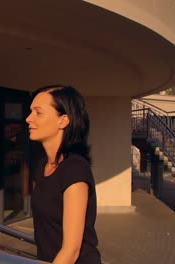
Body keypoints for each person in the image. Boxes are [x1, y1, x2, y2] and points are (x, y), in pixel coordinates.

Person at [26, 85, 101, 264]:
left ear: (63, 120)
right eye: (30, 112)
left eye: (38, 112)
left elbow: (71, 250)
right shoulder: (42, 166)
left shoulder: (74, 170)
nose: (29, 119)